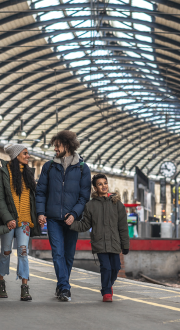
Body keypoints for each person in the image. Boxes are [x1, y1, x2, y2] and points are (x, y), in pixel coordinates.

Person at [36, 130, 91, 302]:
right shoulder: (49, 166)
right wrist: (40, 212)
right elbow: (41, 192)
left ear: (67, 145)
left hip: (72, 220)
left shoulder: (83, 169)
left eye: (57, 145)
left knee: (68, 255)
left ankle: (61, 285)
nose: (55, 149)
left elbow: (84, 197)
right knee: (58, 253)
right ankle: (66, 288)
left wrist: (74, 214)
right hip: (53, 219)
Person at [65, 174, 129, 302]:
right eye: (100, 184)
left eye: (105, 183)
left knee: (116, 267)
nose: (103, 186)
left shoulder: (117, 204)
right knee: (106, 267)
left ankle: (108, 285)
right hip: (99, 243)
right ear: (95, 188)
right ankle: (106, 292)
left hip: (115, 242)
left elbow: (123, 227)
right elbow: (85, 225)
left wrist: (125, 245)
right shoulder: (90, 206)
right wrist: (72, 223)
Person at [0, 143, 40, 300]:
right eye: (25, 153)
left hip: (25, 222)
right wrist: (8, 218)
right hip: (8, 221)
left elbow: (33, 200)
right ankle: (1, 282)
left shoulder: (29, 174)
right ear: (16, 156)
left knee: (23, 252)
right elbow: (1, 199)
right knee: (5, 252)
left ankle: (25, 287)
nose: (28, 156)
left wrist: (38, 216)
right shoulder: (4, 173)